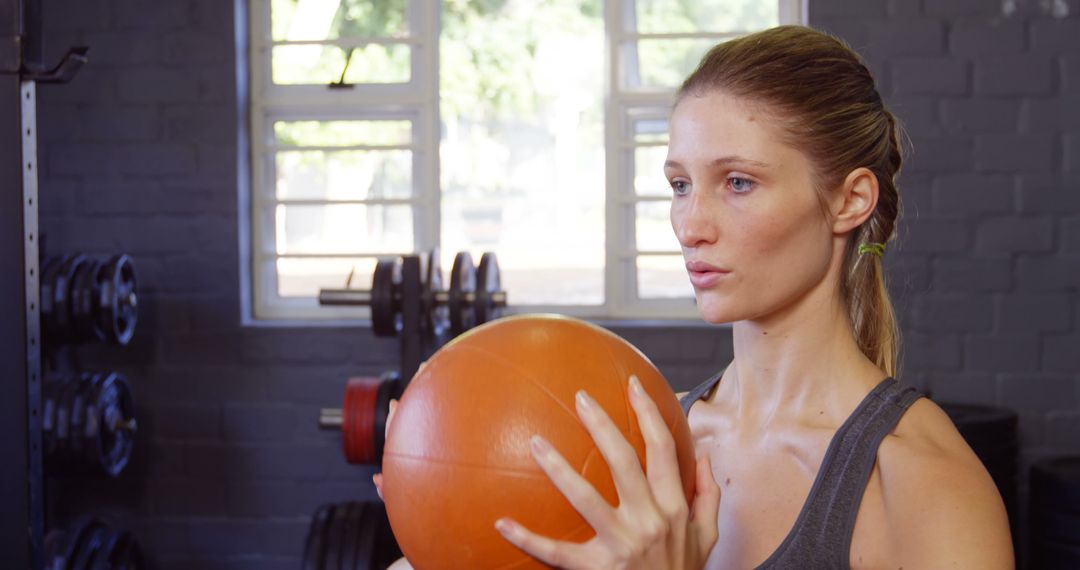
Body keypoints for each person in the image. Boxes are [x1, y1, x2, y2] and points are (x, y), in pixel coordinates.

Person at [379, 25, 1014, 569]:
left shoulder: (924, 482)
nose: (690, 224)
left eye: (737, 182)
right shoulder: (636, 447)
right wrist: (439, 528)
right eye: (680, 184)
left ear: (850, 200)